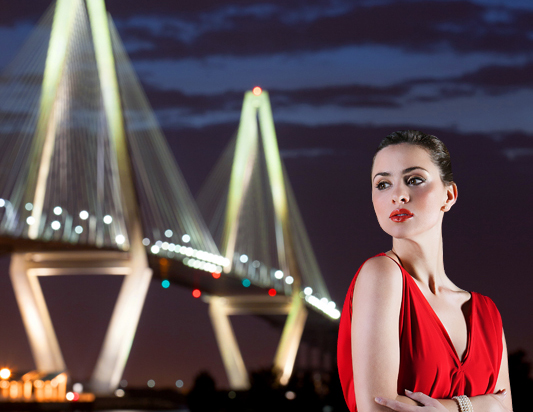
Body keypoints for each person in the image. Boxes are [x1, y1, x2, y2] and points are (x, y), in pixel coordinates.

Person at [337, 130, 513, 412]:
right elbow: (379, 408)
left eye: (414, 180)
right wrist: (482, 406)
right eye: (382, 184)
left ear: (449, 195)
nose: (398, 196)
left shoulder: (487, 313)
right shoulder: (381, 274)